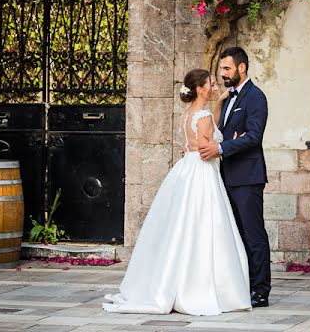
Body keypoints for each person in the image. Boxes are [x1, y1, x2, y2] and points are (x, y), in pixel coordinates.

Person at [102, 68, 251, 316]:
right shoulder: (202, 115)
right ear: (201, 89)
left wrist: (221, 104)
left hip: (185, 169)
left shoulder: (188, 114)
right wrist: (231, 142)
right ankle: (202, 287)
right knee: (205, 225)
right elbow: (206, 148)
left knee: (180, 225)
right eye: (211, 84)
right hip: (202, 172)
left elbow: (202, 131)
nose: (215, 87)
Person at [199, 46, 272, 308]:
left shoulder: (256, 98)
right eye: (221, 69)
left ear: (242, 68)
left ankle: (260, 291)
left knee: (253, 235)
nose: (222, 74)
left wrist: (222, 148)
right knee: (236, 236)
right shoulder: (229, 99)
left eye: (227, 68)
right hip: (227, 177)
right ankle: (242, 286)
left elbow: (253, 137)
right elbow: (222, 132)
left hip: (248, 178)